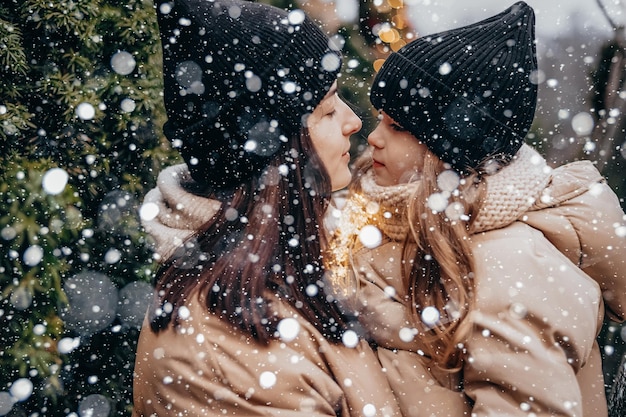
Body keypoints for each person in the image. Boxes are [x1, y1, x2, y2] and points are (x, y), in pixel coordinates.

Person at [327, 2, 626, 416]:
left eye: (397, 127)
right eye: (380, 119)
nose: (373, 137)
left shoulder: (510, 268)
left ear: (450, 151)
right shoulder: (395, 221)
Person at [132, 1, 403, 416]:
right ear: (272, 152)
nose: (353, 122)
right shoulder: (223, 340)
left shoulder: (292, 266)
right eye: (328, 109)